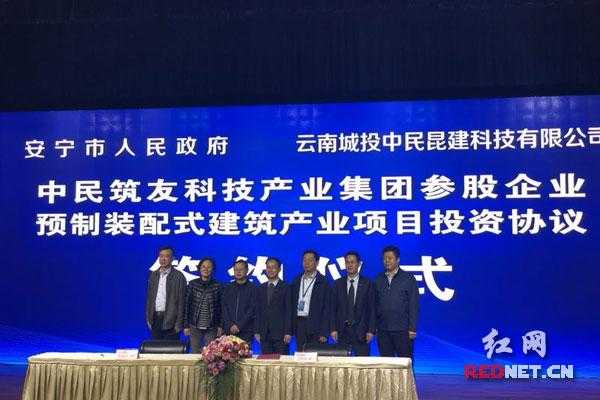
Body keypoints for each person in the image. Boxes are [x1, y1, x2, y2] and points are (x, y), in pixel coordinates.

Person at [374, 245, 419, 358]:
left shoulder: (408, 278)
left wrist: (412, 328)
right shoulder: (379, 279)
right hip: (383, 329)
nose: (387, 261)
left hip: (402, 330)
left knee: (405, 362)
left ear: (398, 260)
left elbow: (414, 304)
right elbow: (375, 304)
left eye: (390, 258)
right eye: (384, 258)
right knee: (386, 363)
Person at [331, 251, 376, 356]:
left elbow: (372, 309)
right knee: (342, 363)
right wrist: (333, 329)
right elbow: (333, 308)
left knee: (362, 363)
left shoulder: (368, 284)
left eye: (352, 262)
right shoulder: (338, 284)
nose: (349, 265)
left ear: (359, 264)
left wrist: (371, 330)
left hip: (362, 331)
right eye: (347, 262)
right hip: (342, 331)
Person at [291, 250, 330, 351]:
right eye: (304, 260)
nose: (307, 263)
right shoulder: (296, 281)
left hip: (316, 325)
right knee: (301, 355)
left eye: (310, 260)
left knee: (316, 356)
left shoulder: (324, 282)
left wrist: (324, 332)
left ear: (317, 263)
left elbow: (327, 309)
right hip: (300, 324)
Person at [145, 246, 187, 340]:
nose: (163, 259)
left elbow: (182, 302)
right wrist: (148, 318)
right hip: (155, 319)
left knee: (171, 348)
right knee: (156, 348)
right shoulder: (153, 275)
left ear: (172, 258)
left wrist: (179, 323)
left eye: (166, 256)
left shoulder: (179, 276)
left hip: (171, 320)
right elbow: (150, 298)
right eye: (161, 256)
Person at [184, 257, 223, 353]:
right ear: (199, 268)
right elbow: (186, 306)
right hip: (194, 326)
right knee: (195, 354)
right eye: (203, 267)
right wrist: (186, 325)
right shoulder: (192, 284)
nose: (206, 269)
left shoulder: (218, 286)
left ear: (213, 269)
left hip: (212, 327)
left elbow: (222, 308)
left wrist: (220, 326)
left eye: (209, 267)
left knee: (211, 354)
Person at [255, 257, 293, 354]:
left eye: (273, 267)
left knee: (281, 361)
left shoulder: (286, 287)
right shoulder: (261, 288)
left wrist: (288, 332)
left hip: (281, 335)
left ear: (279, 269)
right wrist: (257, 331)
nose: (270, 270)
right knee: (266, 361)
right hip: (264, 334)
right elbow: (258, 311)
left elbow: (289, 311)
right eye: (268, 267)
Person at [222, 259, 257, 344]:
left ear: (247, 270)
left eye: (241, 269)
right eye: (236, 269)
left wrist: (239, 325)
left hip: (246, 331)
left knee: (245, 352)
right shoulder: (227, 288)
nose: (238, 272)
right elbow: (224, 308)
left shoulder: (253, 289)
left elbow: (252, 310)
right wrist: (230, 325)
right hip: (229, 331)